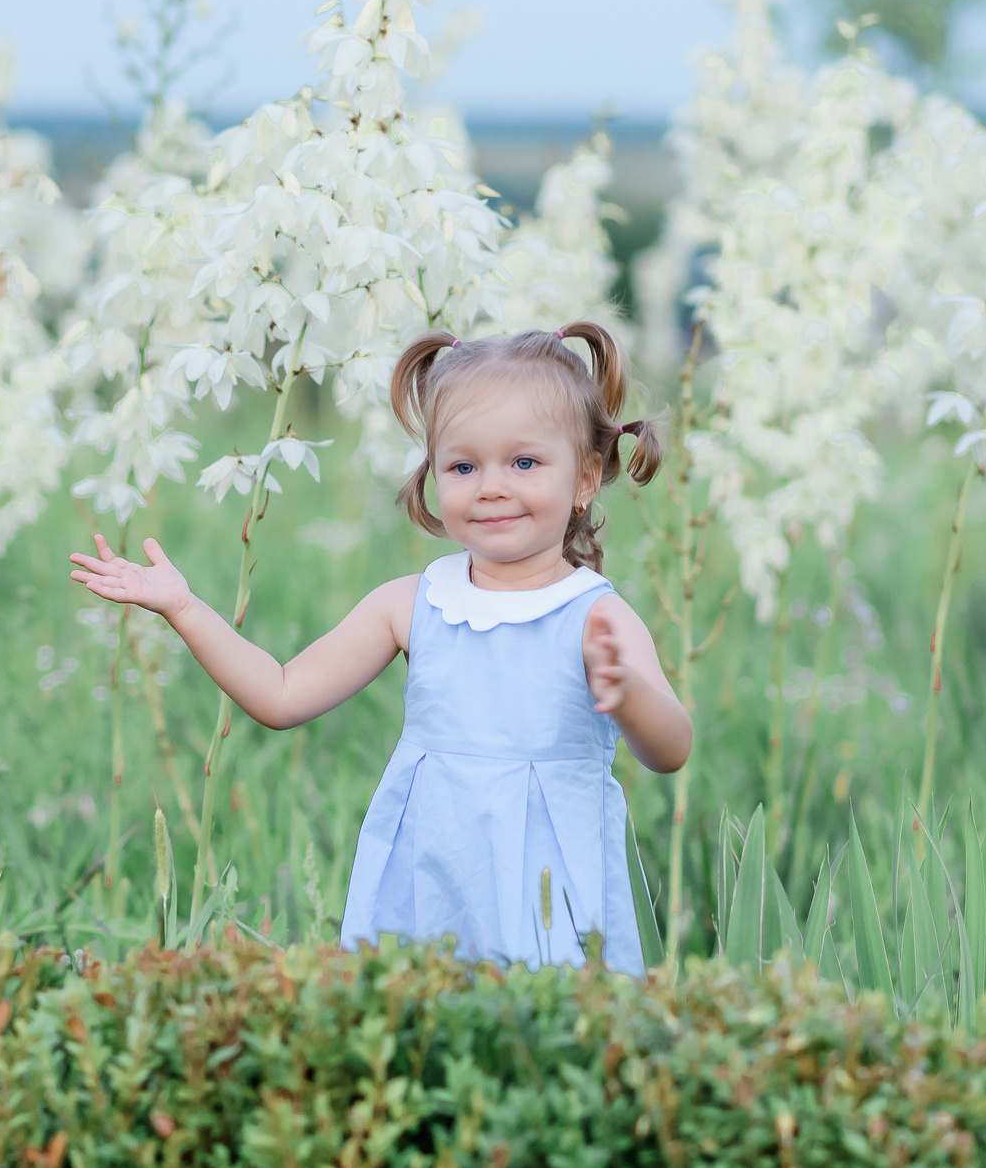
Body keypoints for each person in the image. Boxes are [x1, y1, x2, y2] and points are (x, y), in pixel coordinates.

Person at [68, 322, 690, 972]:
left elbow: (670, 749)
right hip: (432, 891)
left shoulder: (595, 617)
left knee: (547, 1018)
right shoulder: (412, 604)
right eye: (463, 466)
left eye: (525, 462)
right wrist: (185, 608)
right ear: (433, 473)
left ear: (585, 478)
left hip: (552, 898)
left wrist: (629, 695)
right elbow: (281, 694)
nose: (492, 486)